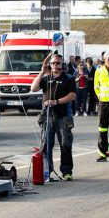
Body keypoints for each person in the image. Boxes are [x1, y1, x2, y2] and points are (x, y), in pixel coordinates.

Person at [31, 53, 75, 181]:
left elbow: (72, 96)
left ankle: (67, 172)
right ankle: (47, 171)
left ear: (62, 64)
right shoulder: (45, 79)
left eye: (58, 63)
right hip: (47, 117)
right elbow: (33, 88)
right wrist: (41, 72)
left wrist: (56, 102)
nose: (55, 65)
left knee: (65, 144)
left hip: (63, 116)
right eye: (53, 63)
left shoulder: (68, 78)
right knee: (46, 145)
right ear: (50, 65)